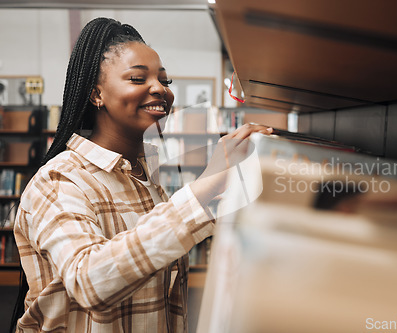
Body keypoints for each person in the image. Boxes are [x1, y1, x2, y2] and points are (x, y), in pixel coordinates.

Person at [11, 17, 272, 332]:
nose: (159, 89)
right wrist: (202, 190)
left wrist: (261, 170)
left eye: (165, 81)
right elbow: (89, 281)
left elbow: (170, 236)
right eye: (137, 78)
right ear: (97, 95)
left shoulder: (142, 176)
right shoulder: (59, 180)